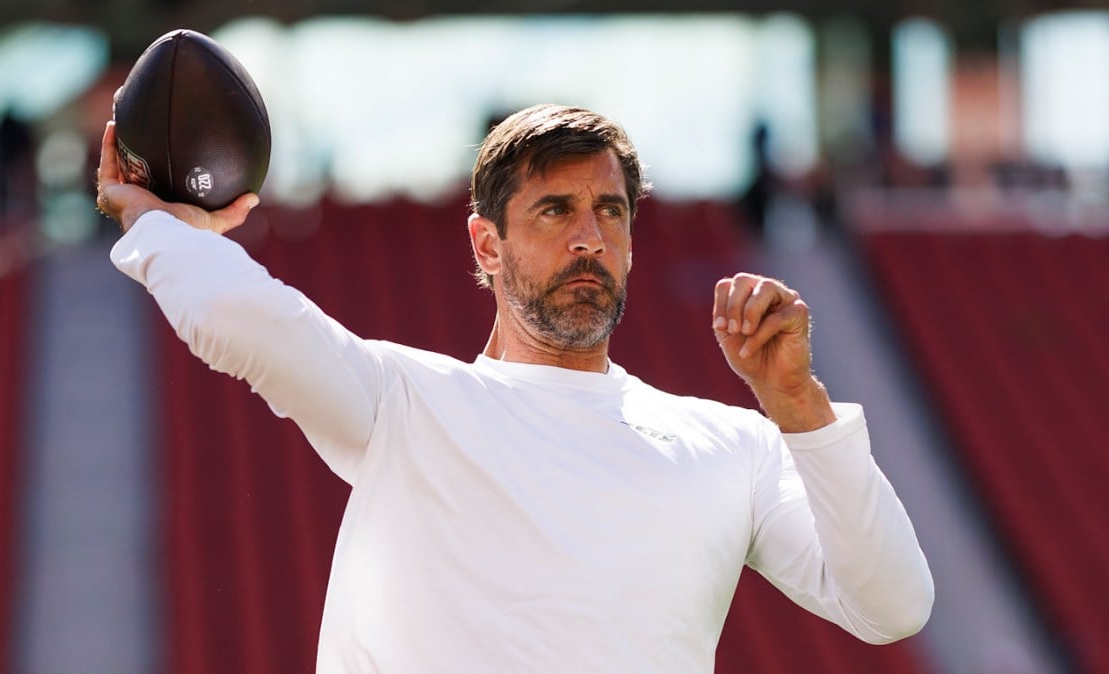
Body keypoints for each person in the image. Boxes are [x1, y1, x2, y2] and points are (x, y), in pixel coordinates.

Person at [96, 103, 933, 673]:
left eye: (611, 212)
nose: (588, 238)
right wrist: (163, 225)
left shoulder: (737, 445)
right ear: (486, 246)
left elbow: (891, 604)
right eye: (554, 211)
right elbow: (239, 316)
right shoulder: (406, 404)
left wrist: (800, 411)